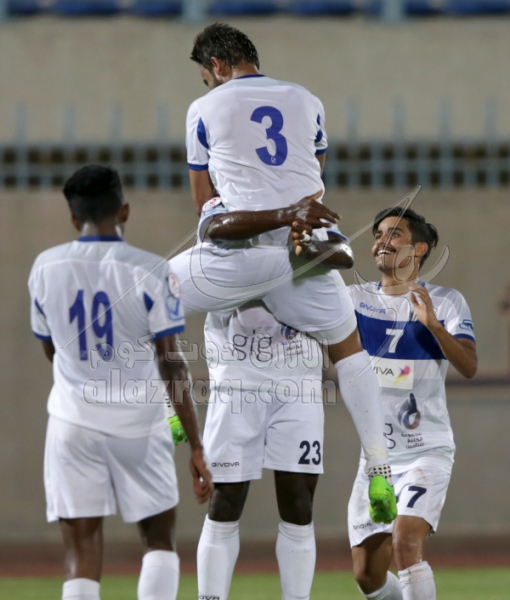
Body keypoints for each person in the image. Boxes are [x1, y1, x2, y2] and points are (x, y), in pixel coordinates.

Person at [170, 23, 396, 522]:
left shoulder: (204, 108)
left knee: (145, 302)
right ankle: (380, 467)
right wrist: (294, 216)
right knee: (349, 350)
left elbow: (203, 204)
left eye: (206, 76)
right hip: (303, 258)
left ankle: (170, 411)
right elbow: (311, 181)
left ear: (216, 66)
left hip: (239, 256)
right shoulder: (308, 100)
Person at [28, 165, 213, 600]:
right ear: (124, 210)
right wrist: (196, 445)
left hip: (72, 424)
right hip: (140, 425)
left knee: (81, 554)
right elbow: (171, 364)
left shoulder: (44, 268)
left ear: (74, 218)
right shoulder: (152, 270)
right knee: (159, 540)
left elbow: (52, 351)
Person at [196, 228, 353, 600]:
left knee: (298, 499)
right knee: (226, 497)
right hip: (237, 379)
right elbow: (208, 240)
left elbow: (344, 254)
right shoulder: (226, 216)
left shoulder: (307, 220)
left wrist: (307, 244)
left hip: (298, 381)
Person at [344, 207, 478, 600]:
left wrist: (433, 325)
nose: (381, 241)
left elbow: (469, 366)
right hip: (376, 459)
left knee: (405, 543)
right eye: (378, 235)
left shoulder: (446, 302)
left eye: (394, 234)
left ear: (419, 249)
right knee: (367, 575)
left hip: (426, 451)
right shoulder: (353, 300)